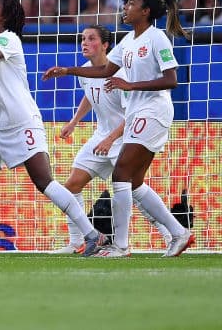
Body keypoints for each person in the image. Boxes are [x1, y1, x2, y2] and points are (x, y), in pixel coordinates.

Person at [0, 0, 108, 256]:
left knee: (44, 182)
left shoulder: (9, 39)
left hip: (23, 123)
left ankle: (92, 235)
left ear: (5, 17)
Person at [42, 0, 195, 257]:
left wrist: (130, 85)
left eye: (132, 3)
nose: (126, 7)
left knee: (122, 175)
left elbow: (172, 80)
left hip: (154, 111)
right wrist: (67, 71)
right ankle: (178, 232)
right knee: (133, 183)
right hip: (138, 113)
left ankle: (121, 245)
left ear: (145, 11)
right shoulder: (127, 41)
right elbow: (103, 72)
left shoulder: (157, 38)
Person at [51, 25, 174, 254]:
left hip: (124, 139)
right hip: (101, 137)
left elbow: (131, 114)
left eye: (91, 39)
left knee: (135, 193)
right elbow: (90, 97)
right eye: (82, 39)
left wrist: (110, 139)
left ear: (106, 45)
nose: (84, 43)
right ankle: (78, 241)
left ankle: (169, 235)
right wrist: (74, 121)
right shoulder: (86, 71)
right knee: (71, 186)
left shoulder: (121, 74)